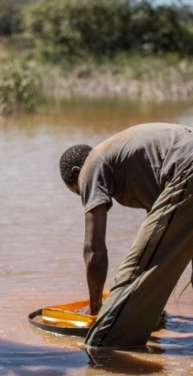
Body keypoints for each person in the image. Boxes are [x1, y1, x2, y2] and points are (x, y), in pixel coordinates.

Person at [59, 122, 193, 350]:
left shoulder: (92, 165)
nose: (86, 195)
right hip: (183, 163)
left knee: (106, 339)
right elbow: (162, 234)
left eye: (79, 191)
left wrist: (95, 309)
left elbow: (94, 250)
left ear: (77, 174)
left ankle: (106, 353)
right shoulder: (122, 161)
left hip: (186, 166)